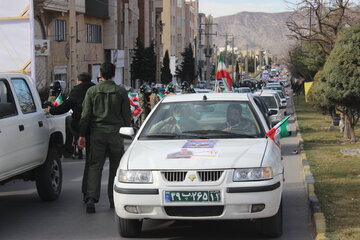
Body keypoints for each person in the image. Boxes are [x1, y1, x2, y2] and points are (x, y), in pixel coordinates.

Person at [78, 62, 131, 214]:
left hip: (97, 134)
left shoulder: (92, 91)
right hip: (115, 134)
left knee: (95, 165)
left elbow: (85, 115)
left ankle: (91, 199)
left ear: (100, 75)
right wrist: (126, 131)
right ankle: (114, 199)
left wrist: (82, 135)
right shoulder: (120, 92)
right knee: (115, 167)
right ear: (114, 74)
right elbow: (126, 115)